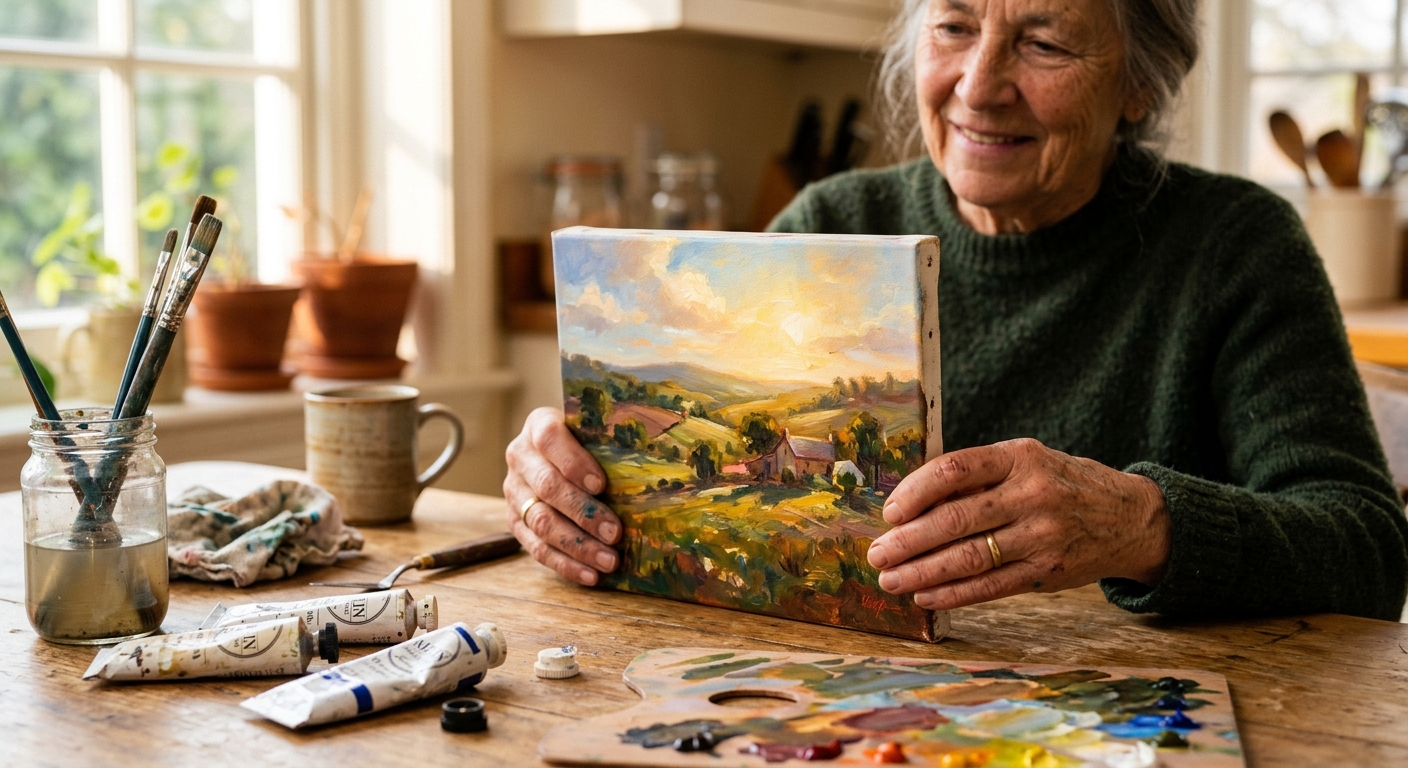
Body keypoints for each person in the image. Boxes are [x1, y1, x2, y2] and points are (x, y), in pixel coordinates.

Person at [503, 0, 1408, 621]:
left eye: (1045, 42)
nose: (979, 85)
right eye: (954, 26)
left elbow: (1368, 551)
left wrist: (1142, 526)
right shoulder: (835, 225)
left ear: (1141, 83)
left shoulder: (1236, 245)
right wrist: (575, 497)